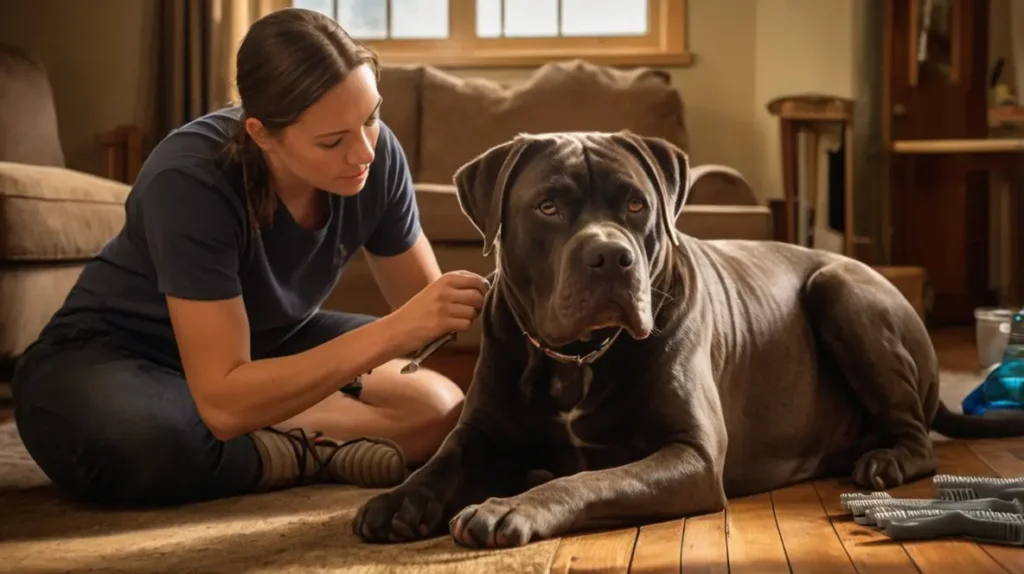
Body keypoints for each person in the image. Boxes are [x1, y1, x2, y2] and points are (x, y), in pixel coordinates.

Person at [10, 8, 490, 508]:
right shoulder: (190, 178)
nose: (364, 152)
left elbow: (428, 313)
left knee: (440, 409)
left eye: (371, 118)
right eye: (332, 141)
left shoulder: (375, 156)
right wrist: (392, 332)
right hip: (115, 353)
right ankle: (301, 453)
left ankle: (276, 438)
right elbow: (223, 402)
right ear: (262, 133)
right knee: (146, 443)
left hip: (268, 340)